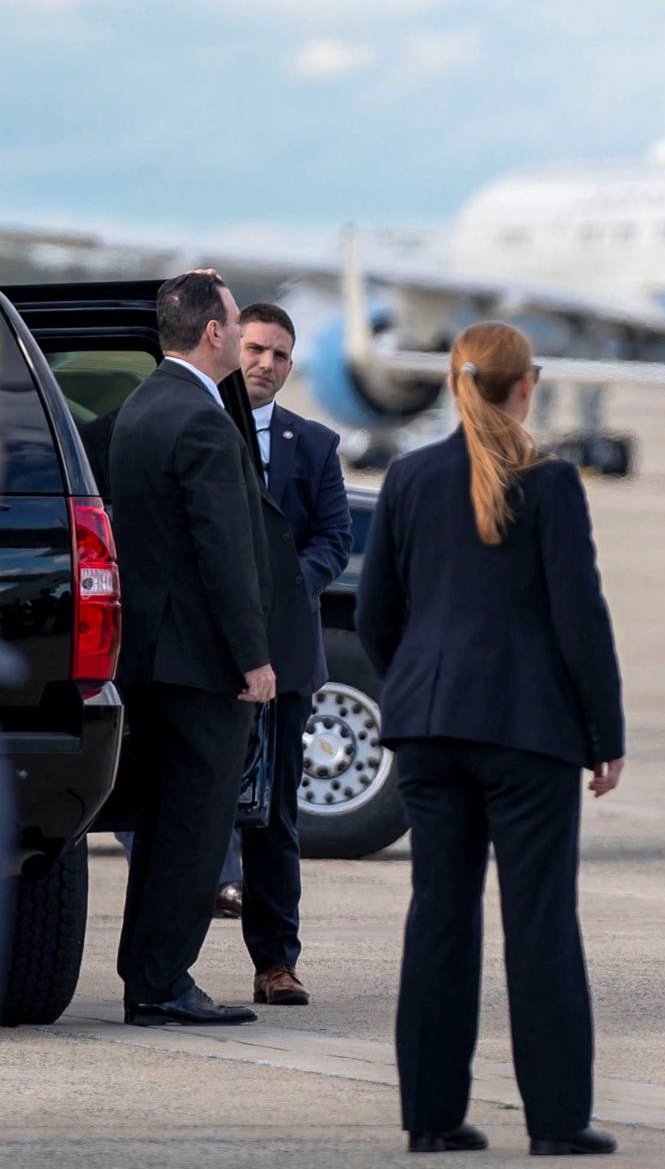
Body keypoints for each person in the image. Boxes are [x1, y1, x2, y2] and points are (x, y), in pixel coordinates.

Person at [356, 321, 624, 1157]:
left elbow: (375, 616)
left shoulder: (407, 476)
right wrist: (603, 730)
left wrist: (421, 686)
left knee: (438, 916)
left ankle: (431, 1119)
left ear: (451, 380)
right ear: (525, 384)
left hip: (429, 726)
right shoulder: (548, 483)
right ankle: (555, 1121)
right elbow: (579, 617)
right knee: (539, 922)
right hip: (525, 730)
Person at [111, 270, 276, 1027]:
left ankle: (146, 974)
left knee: (160, 823)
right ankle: (163, 982)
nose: (242, 337)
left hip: (147, 655)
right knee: (195, 826)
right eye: (237, 323)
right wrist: (253, 657)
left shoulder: (141, 407)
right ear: (213, 333)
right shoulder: (204, 422)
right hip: (203, 661)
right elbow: (224, 553)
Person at [204, 302, 351, 1005]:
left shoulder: (315, 443)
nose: (266, 364)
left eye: (281, 356)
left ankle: (276, 962)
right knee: (189, 811)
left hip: (287, 659)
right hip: (205, 657)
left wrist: (288, 589)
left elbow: (333, 538)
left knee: (275, 818)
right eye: (257, 349)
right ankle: (163, 963)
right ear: (233, 347)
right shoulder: (199, 424)